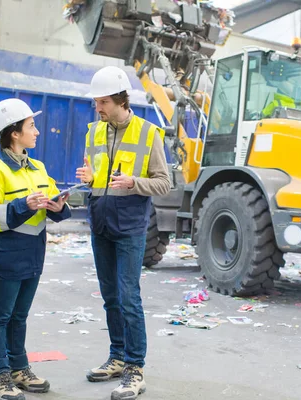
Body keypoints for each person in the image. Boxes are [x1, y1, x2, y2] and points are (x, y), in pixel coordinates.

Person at [76, 66, 170, 400]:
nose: (97, 108)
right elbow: (97, 176)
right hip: (100, 224)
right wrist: (89, 178)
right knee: (110, 297)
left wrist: (134, 183)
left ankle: (135, 367)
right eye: (95, 103)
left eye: (102, 102)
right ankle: (117, 357)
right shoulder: (94, 132)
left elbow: (164, 182)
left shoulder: (148, 133)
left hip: (130, 227)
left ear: (119, 99)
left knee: (129, 297)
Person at [0, 98, 72, 400]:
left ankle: (19, 367)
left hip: (33, 254)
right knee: (0, 317)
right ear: (14, 133)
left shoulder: (38, 168)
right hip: (7, 255)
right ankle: (0, 375)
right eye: (31, 126)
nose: (37, 132)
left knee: (19, 316)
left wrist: (59, 205)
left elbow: (52, 204)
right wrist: (22, 205)